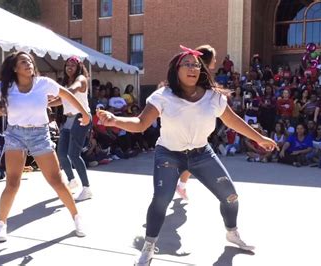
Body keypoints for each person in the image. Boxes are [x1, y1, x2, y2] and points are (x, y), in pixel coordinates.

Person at [97, 46, 277, 264]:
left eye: (196, 65)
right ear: (176, 69)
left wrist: (259, 138)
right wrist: (115, 120)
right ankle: (149, 246)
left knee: (230, 196)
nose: (193, 68)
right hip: (169, 155)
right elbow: (140, 123)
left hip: (202, 154)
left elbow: (233, 121)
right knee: (161, 200)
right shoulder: (162, 96)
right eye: (187, 64)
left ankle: (232, 232)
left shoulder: (213, 97)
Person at [0, 51, 90, 242]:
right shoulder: (5, 87)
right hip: (14, 135)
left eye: (30, 61)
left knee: (56, 180)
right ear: (15, 68)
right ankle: (0, 224)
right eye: (23, 62)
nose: (28, 64)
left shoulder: (43, 83)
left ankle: (77, 218)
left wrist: (85, 113)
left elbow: (67, 93)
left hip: (39, 135)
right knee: (12, 182)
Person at [175, 44, 217, 201]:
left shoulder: (201, 81)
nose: (216, 61)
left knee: (191, 156)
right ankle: (180, 185)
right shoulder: (199, 82)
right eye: (214, 58)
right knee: (192, 155)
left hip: (195, 127)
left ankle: (181, 185)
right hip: (190, 127)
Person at [49, 56, 93, 201]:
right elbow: (62, 99)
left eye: (72, 65)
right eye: (67, 65)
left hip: (81, 118)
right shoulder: (67, 82)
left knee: (74, 154)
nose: (69, 67)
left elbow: (71, 92)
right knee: (61, 153)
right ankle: (72, 180)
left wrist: (54, 94)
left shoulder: (81, 79)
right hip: (69, 120)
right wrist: (46, 102)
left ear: (79, 67)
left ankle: (86, 189)